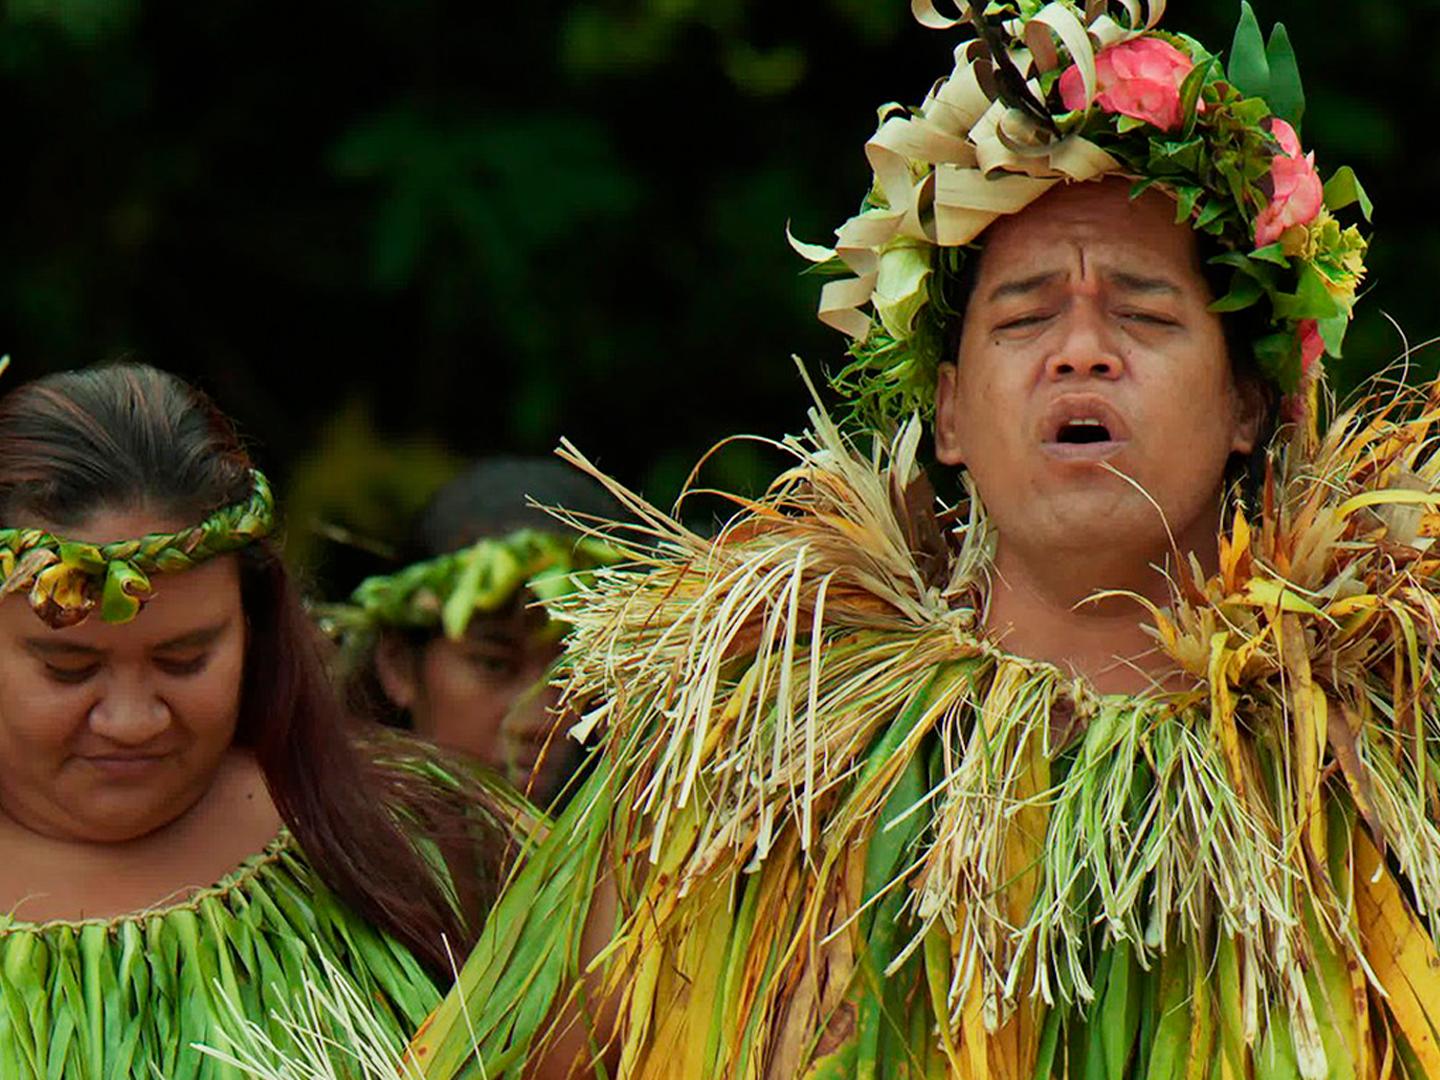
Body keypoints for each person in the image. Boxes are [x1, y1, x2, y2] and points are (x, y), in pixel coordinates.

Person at [313, 4, 1422, 1079]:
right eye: (1026, 315)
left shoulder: (1387, 749)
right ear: (946, 413)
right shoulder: (750, 748)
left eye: (1144, 313)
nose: (1081, 350)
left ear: (1248, 406)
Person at [0, 362, 530, 1079]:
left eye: (185, 659)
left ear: (253, 625)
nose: (132, 721)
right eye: (69, 669)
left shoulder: (436, 836)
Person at [325, 457, 620, 806]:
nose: (540, 721)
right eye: (495, 665)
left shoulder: (653, 854)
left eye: (575, 678)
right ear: (399, 664)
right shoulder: (312, 845)